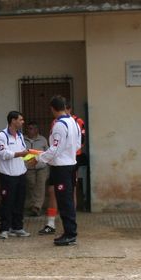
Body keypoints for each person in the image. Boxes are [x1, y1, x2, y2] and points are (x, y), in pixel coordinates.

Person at [36, 96, 82, 246]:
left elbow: (55, 149)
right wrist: (67, 153)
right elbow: (77, 145)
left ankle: (70, 234)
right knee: (67, 200)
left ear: (52, 108)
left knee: (64, 201)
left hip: (61, 167)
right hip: (71, 164)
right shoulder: (73, 122)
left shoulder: (59, 125)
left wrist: (39, 158)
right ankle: (70, 232)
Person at [0, 111, 30, 238]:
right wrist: (19, 154)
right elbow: (3, 154)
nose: (22, 122)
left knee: (19, 202)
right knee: (7, 202)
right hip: (8, 175)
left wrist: (30, 158)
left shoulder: (20, 135)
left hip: (21, 173)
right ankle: (4, 228)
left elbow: (24, 152)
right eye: (20, 120)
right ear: (13, 120)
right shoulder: (2, 136)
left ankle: (17, 227)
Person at [23, 120, 49, 217]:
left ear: (36, 130)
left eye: (31, 129)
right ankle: (31, 205)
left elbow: (47, 152)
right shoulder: (23, 139)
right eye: (28, 129)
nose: (29, 130)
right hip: (29, 167)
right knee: (31, 185)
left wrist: (46, 162)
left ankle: (37, 207)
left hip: (41, 167)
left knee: (40, 186)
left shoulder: (42, 140)